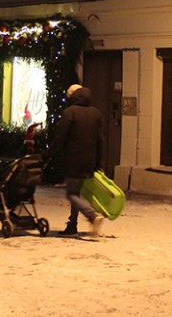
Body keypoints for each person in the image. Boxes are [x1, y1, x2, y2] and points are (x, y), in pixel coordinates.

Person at [50, 83, 105, 236]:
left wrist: (48, 154)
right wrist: (98, 162)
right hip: (89, 161)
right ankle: (72, 225)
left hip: (73, 159)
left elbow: (60, 138)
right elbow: (100, 140)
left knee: (71, 195)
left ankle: (92, 216)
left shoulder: (70, 113)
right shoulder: (95, 113)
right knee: (76, 192)